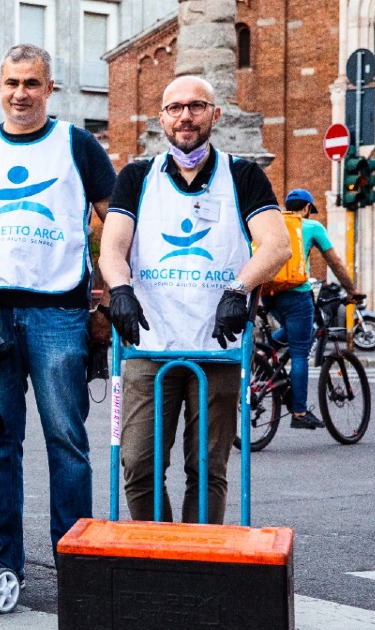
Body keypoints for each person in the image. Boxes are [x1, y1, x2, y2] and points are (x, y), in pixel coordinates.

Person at [0, 44, 116, 583]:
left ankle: (74, 563)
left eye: (32, 83)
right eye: (11, 83)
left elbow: (116, 222)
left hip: (59, 315)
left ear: (50, 89)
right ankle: (4, 562)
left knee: (67, 443)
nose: (20, 94)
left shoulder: (77, 145)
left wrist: (106, 289)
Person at [98, 76, 290, 524]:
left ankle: (197, 561)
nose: (186, 116)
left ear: (215, 115)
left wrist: (237, 290)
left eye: (197, 106)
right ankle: (157, 554)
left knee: (206, 470)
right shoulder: (137, 176)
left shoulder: (242, 175)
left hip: (216, 347)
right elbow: (112, 247)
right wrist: (121, 289)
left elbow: (276, 245)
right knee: (138, 465)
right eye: (175, 108)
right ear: (162, 118)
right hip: (148, 345)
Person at [264, 188, 362, 429]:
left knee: (298, 332)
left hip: (268, 293)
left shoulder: (272, 223)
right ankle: (299, 412)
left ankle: (264, 354)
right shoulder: (312, 228)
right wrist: (351, 290)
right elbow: (335, 262)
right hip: (296, 294)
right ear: (307, 208)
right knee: (299, 352)